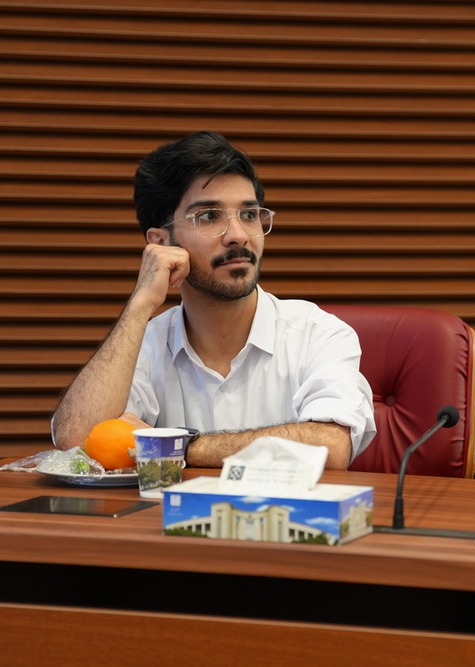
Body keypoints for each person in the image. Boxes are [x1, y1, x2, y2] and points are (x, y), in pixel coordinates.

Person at [51, 131, 376, 469]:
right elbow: (76, 442)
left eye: (249, 215)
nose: (238, 235)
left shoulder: (317, 334)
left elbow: (330, 447)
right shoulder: (145, 345)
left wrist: (175, 446)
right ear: (161, 243)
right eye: (208, 216)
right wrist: (140, 304)